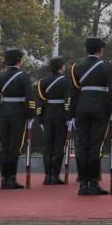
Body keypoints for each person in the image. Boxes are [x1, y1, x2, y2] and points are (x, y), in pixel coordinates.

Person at [70, 36, 112, 196]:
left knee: (82, 145)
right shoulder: (106, 67)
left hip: (81, 109)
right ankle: (92, 182)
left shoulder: (77, 67)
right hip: (100, 109)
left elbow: (73, 93)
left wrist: (71, 114)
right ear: (100, 50)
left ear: (86, 50)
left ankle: (83, 183)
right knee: (95, 146)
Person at [0, 48, 35, 190]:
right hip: (18, 113)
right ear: (18, 60)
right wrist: (30, 114)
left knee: (4, 147)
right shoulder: (24, 77)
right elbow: (29, 98)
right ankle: (11, 179)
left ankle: (4, 179)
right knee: (14, 147)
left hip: (3, 113)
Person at [36, 57, 71, 185]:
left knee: (47, 146)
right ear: (61, 67)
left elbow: (40, 102)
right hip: (61, 116)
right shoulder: (66, 81)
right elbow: (68, 101)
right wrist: (68, 117)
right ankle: (55, 175)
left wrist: (40, 119)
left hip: (47, 115)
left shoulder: (42, 81)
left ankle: (47, 176)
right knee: (58, 146)